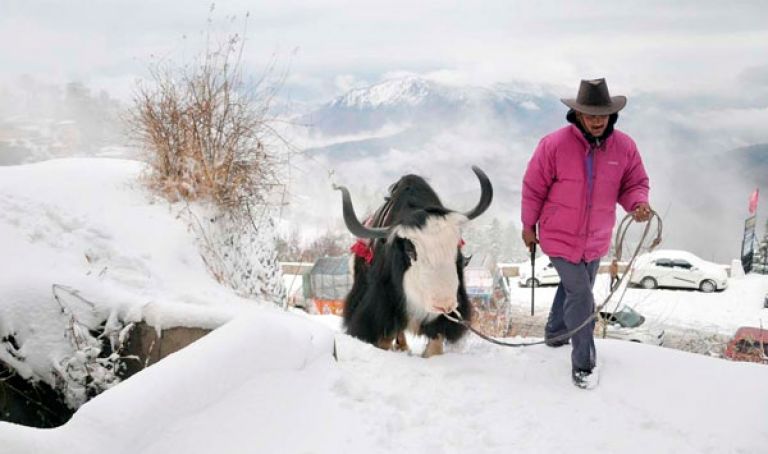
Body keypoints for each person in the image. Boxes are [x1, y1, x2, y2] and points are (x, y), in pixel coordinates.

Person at [520, 78, 651, 389]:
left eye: (601, 115)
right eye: (590, 114)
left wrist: (638, 204)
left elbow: (634, 184)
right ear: (577, 114)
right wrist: (528, 226)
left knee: (573, 289)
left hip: (596, 240)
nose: (596, 120)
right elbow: (533, 188)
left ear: (611, 115)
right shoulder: (553, 145)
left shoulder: (625, 147)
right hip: (558, 236)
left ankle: (554, 334)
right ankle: (584, 363)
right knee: (581, 294)